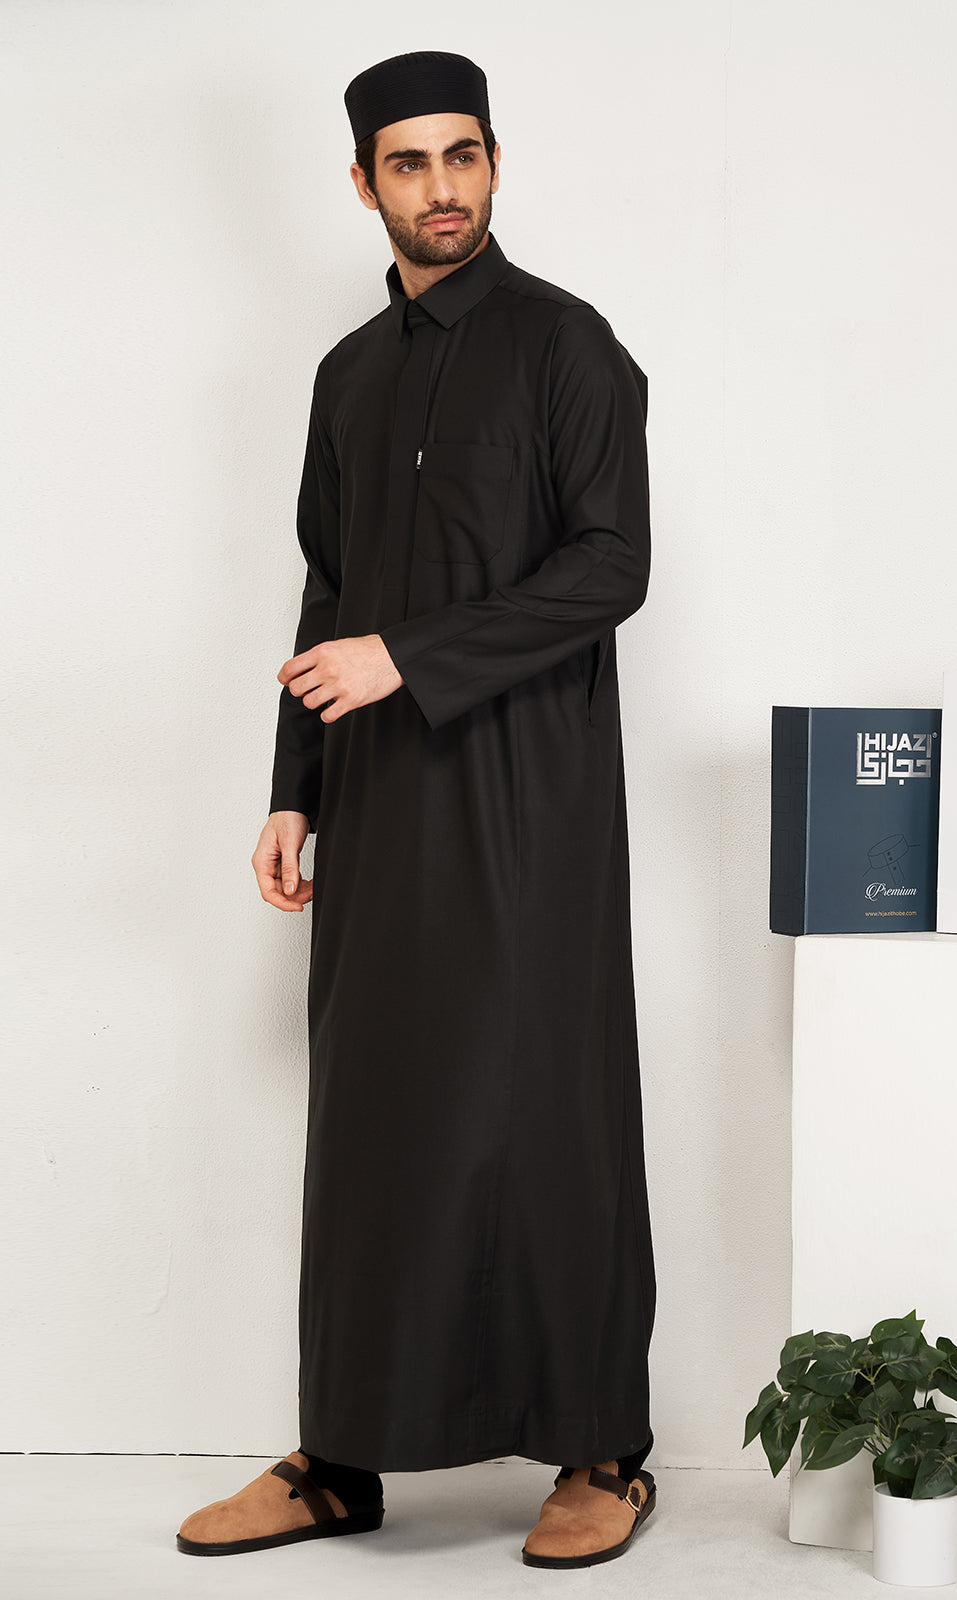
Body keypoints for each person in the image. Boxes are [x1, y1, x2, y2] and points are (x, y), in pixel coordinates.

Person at [176, 49, 657, 1569]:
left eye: (463, 155)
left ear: (495, 162)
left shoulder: (569, 346)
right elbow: (328, 589)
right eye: (408, 162)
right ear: (364, 182)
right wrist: (292, 787)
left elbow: (611, 566)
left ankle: (602, 1450)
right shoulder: (348, 375)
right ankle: (342, 1456)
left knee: (546, 1100)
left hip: (530, 797)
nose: (441, 187)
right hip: (379, 798)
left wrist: (414, 658)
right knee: (374, 1112)